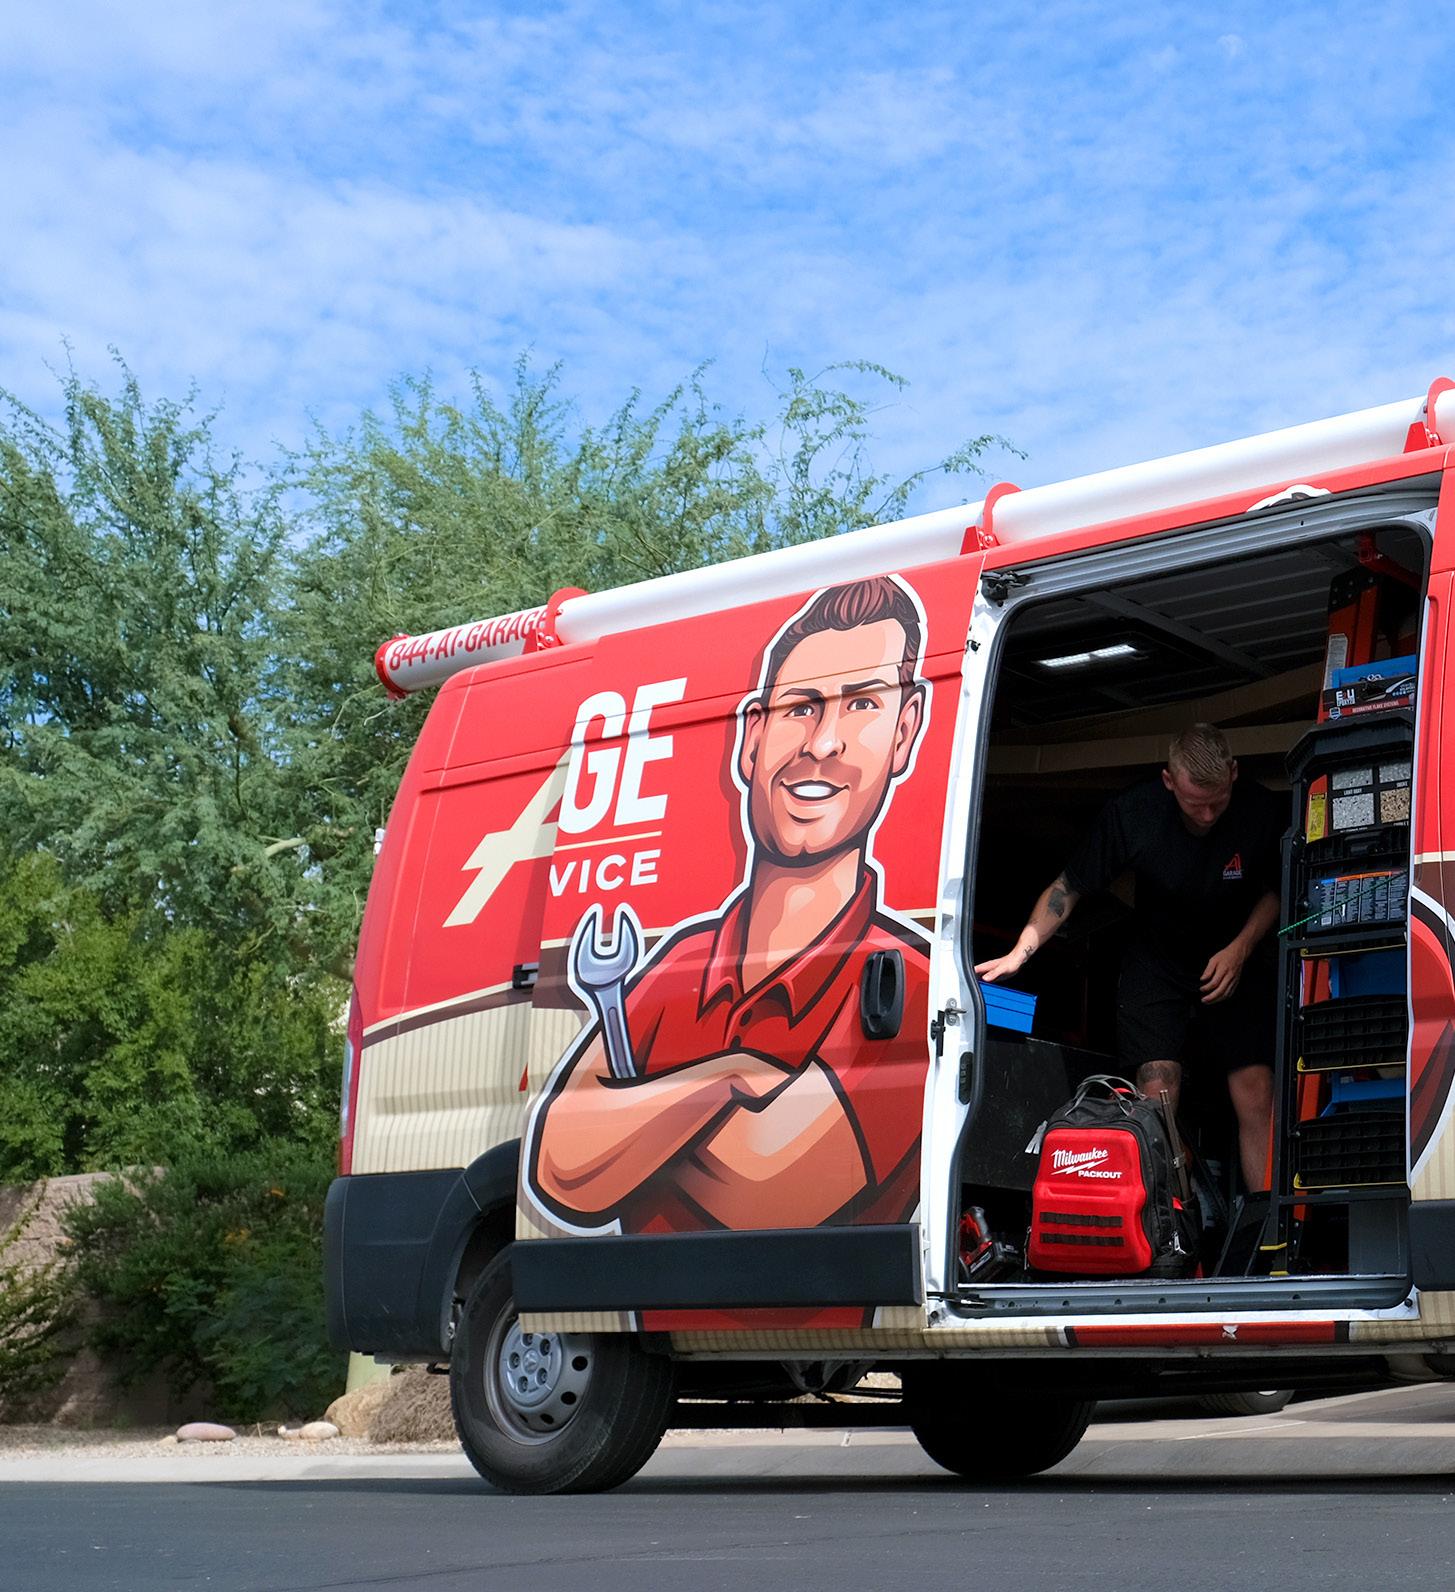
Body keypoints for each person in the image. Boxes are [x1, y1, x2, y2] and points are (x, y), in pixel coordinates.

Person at [526, 575, 933, 1234]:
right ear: (751, 738)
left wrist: (634, 1123)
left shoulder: (909, 985)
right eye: (800, 707)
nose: (821, 743)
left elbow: (769, 1192)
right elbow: (562, 1167)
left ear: (904, 733)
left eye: (861, 705)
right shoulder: (682, 963)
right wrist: (732, 1078)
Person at [976, 724, 1281, 1191]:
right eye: (1194, 803)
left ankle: (1269, 1225)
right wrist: (1021, 951)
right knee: (1157, 1097)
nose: (1206, 815)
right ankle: (1169, 1217)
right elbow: (1067, 888)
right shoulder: (1133, 813)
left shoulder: (1258, 810)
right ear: (1168, 782)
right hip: (1157, 960)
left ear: (1233, 774)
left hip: (1233, 957)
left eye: (1217, 801)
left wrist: (1241, 948)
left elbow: (1277, 891)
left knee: (1255, 1090)